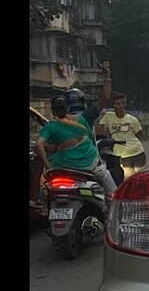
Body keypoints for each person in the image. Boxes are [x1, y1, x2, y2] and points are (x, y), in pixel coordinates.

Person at [33, 62, 117, 196]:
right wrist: (107, 76)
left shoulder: (51, 126)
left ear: (53, 111)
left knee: (44, 187)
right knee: (113, 193)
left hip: (61, 169)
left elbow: (39, 145)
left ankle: (38, 201)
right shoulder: (85, 117)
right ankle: (115, 210)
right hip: (89, 167)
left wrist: (47, 164)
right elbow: (105, 99)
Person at [97, 91, 146, 179]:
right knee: (127, 180)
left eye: (123, 103)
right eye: (118, 103)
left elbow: (140, 135)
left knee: (140, 178)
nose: (121, 106)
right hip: (121, 156)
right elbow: (101, 131)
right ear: (113, 105)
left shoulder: (132, 119)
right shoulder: (108, 116)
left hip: (137, 153)